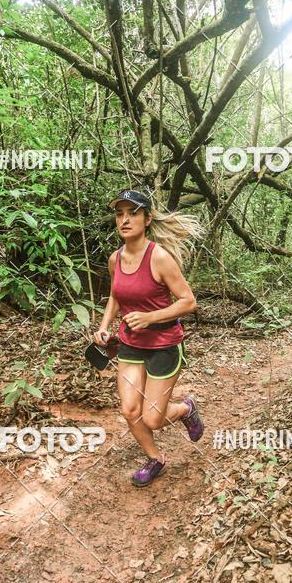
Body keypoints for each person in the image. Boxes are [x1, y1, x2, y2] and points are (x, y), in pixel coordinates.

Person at [93, 189, 205, 486]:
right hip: (130, 344)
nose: (125, 220)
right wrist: (104, 326)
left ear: (147, 219)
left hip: (164, 345)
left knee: (153, 418)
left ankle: (186, 408)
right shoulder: (115, 259)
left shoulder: (160, 258)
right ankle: (156, 458)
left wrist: (149, 317)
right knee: (130, 410)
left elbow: (189, 302)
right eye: (119, 214)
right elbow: (115, 296)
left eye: (133, 213)